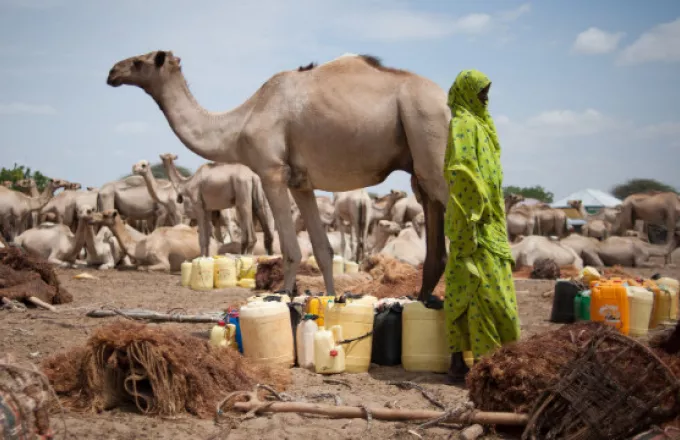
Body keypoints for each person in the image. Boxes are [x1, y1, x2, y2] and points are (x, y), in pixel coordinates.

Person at [442, 69, 521, 383]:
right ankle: (471, 363)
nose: (485, 98)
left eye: (486, 92)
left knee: (493, 292)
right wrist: (476, 208)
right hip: (472, 226)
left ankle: (495, 359)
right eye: (480, 92)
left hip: (491, 226)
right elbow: (460, 169)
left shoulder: (483, 127)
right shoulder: (462, 124)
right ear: (466, 93)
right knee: (477, 292)